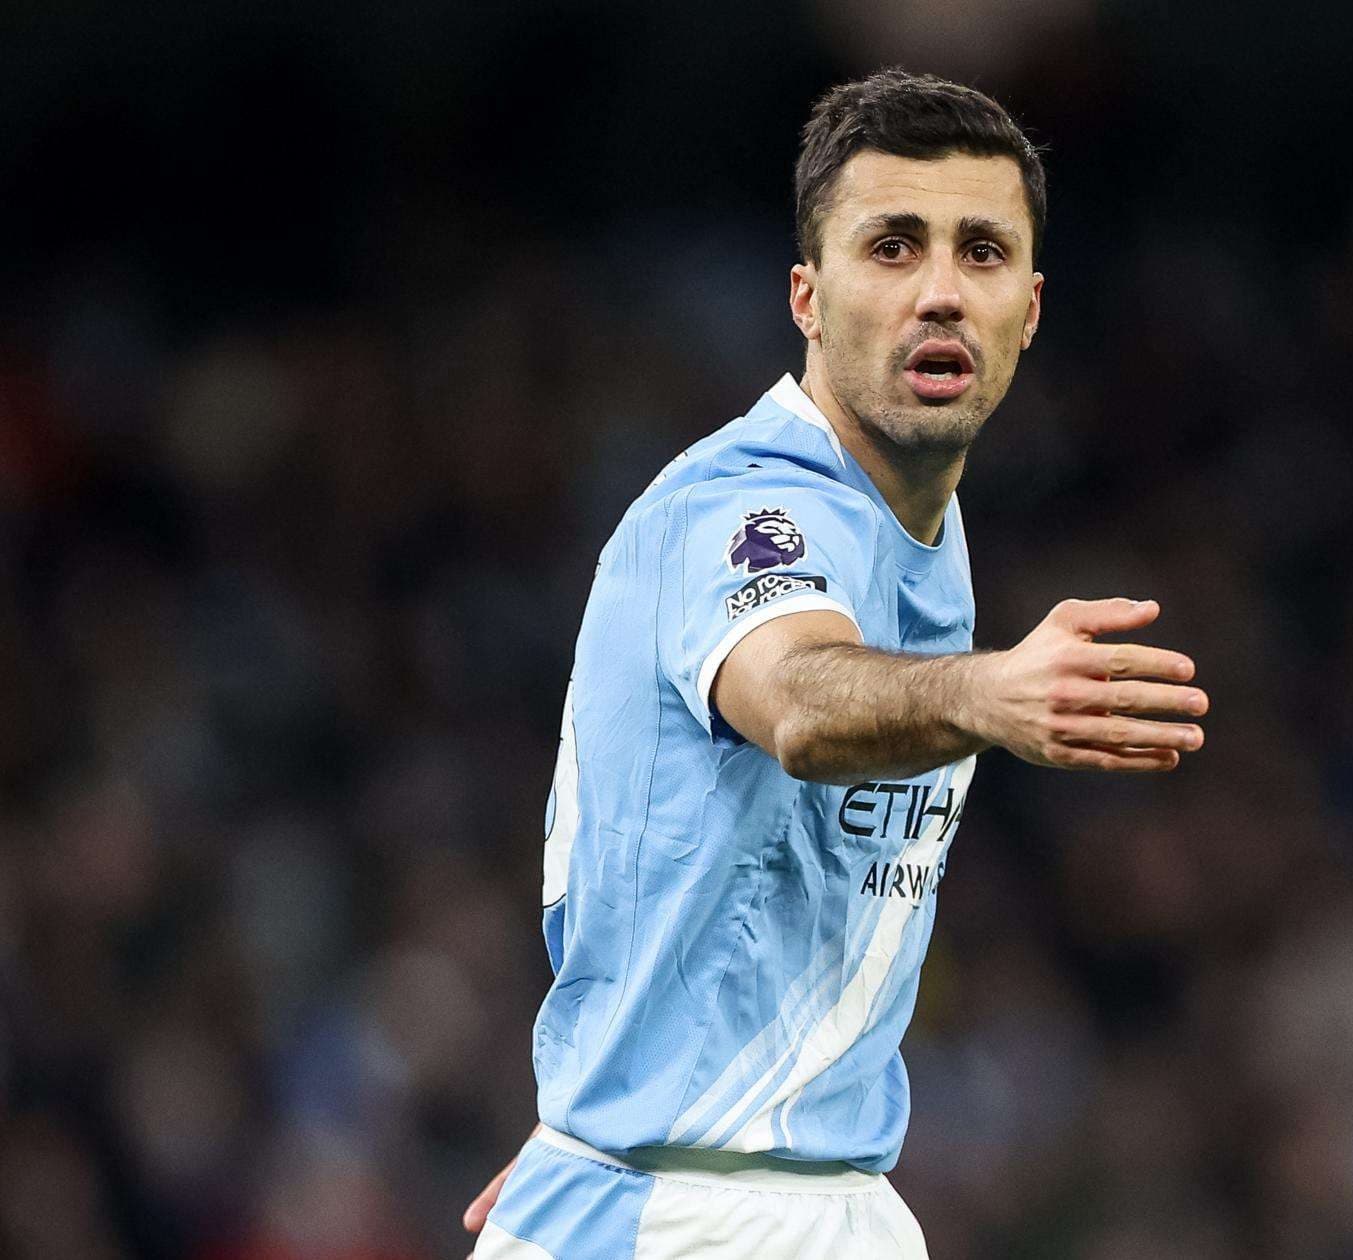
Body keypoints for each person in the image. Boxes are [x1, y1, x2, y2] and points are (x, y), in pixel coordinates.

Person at [463, 69, 1208, 1260]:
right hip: (691, 1219)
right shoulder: (744, 507)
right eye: (893, 247)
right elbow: (796, 701)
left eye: (981, 252)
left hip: (801, 1196)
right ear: (808, 298)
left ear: (1031, 306)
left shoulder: (921, 531)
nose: (941, 293)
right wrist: (989, 693)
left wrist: (607, 1119)